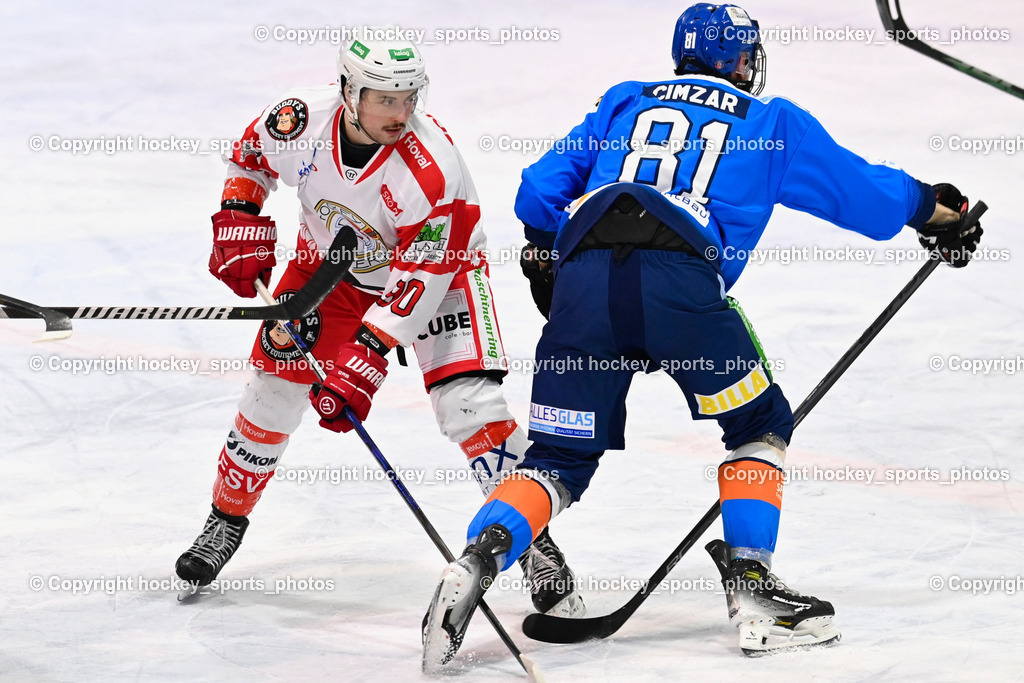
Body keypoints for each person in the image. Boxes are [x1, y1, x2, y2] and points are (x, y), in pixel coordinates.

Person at [422, 2, 982, 667]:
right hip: (680, 283)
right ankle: (753, 587)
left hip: (585, 284)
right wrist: (938, 209)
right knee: (758, 421)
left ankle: (477, 557)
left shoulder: (625, 100)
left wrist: (552, 265)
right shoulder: (771, 121)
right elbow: (864, 192)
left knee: (556, 460)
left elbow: (538, 194)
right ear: (742, 60)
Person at [174, 32, 584, 619]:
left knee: (472, 408)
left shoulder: (432, 167)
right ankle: (224, 521)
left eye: (408, 97)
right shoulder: (298, 121)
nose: (400, 112)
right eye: (384, 99)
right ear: (348, 91)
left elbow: (425, 271)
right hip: (329, 272)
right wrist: (237, 218)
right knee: (271, 393)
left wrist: (366, 355)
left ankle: (535, 545)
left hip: (444, 274)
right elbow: (250, 161)